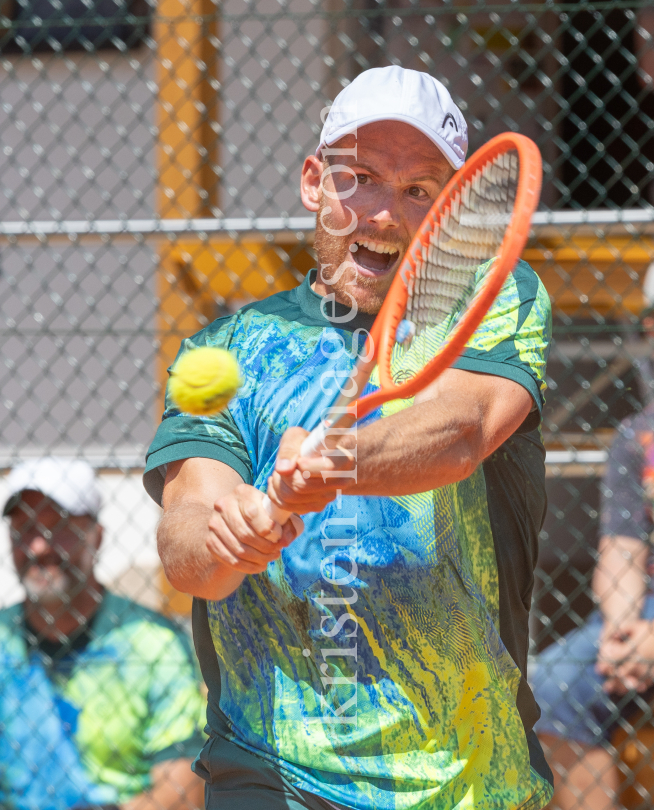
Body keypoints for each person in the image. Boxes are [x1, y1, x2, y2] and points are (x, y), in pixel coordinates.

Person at [144, 65, 554, 810]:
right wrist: (229, 533)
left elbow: (461, 429)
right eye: (359, 178)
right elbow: (186, 550)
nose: (385, 214)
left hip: (466, 782)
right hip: (269, 774)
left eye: (420, 189)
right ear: (313, 183)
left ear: (454, 211)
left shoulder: (500, 295)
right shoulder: (226, 349)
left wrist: (337, 460)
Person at [0, 457, 206, 810]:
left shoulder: (150, 643)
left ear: (96, 537)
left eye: (56, 528)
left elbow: (184, 787)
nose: (38, 547)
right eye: (25, 530)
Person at [532, 303, 654, 810]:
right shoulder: (637, 437)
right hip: (645, 610)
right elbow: (621, 551)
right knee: (547, 688)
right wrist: (622, 628)